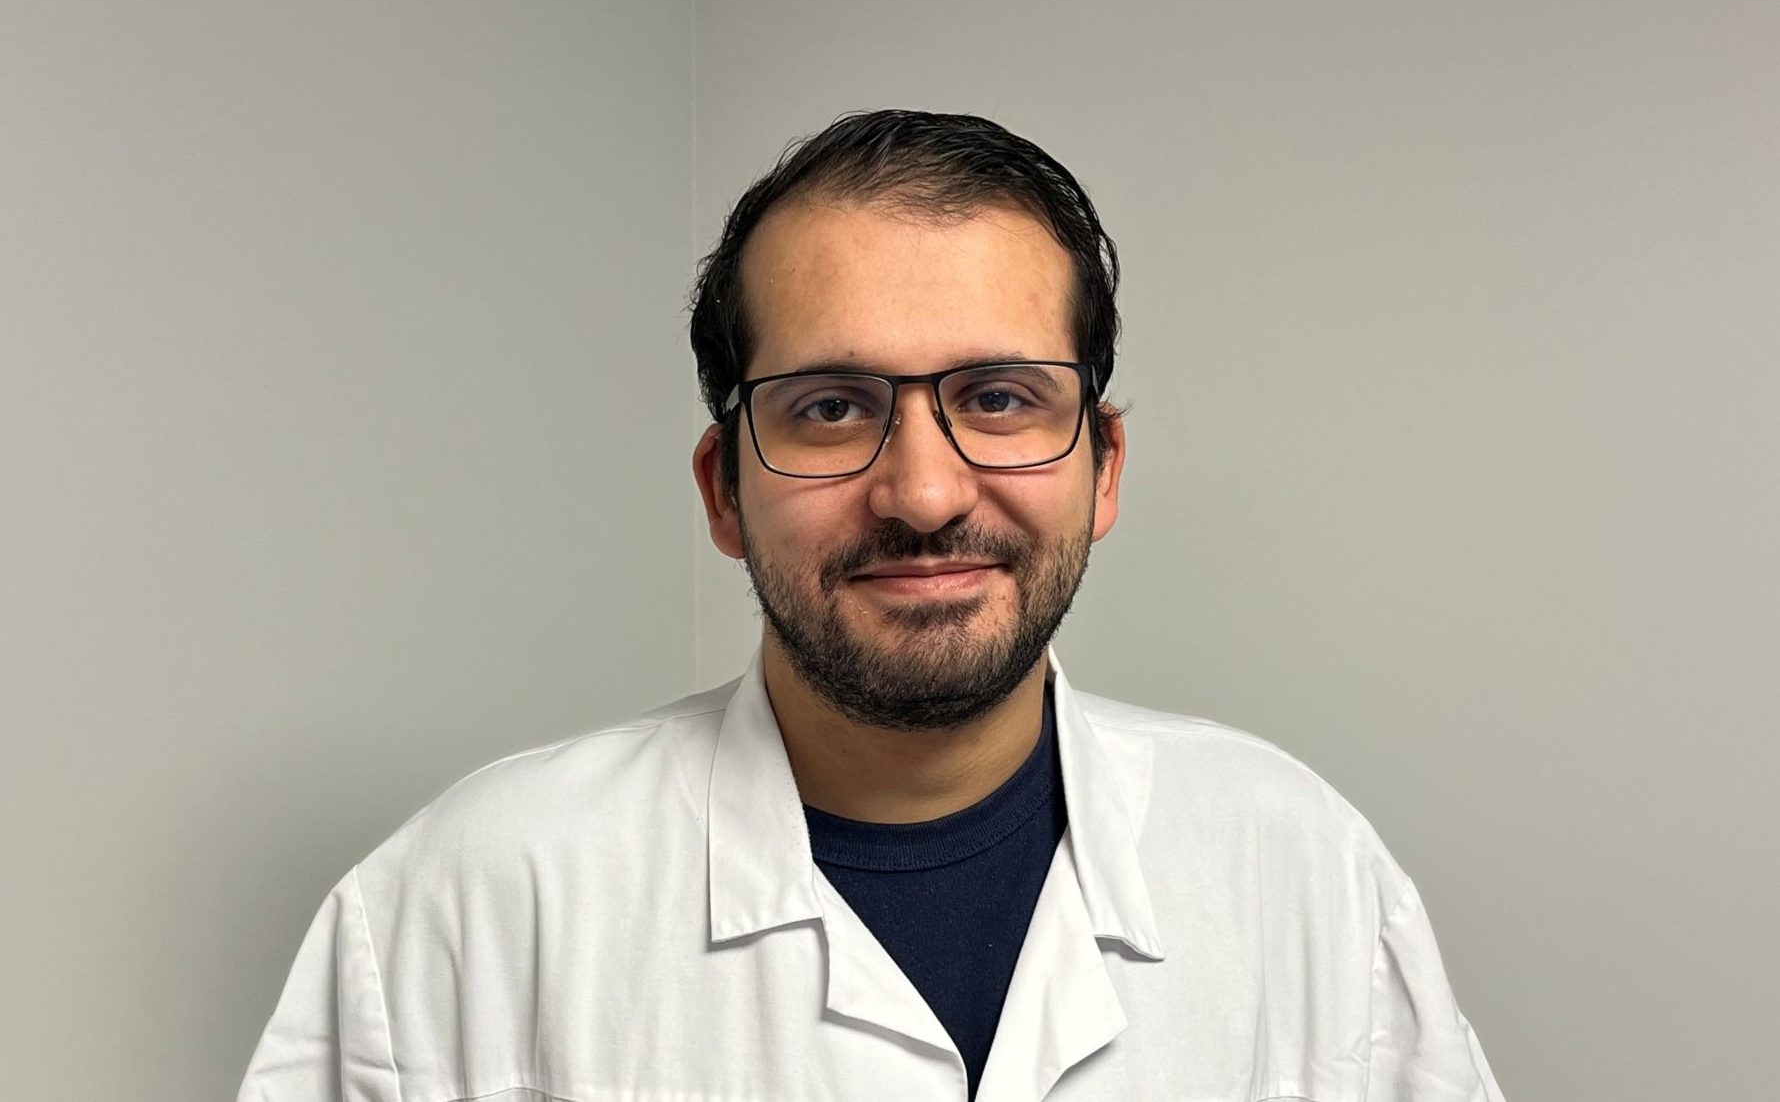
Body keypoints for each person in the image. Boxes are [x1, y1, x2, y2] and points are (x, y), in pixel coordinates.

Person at [238, 110, 1505, 1102]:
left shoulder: (1300, 870)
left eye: (999, 397)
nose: (924, 491)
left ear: (1102, 466)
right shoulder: (466, 902)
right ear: (723, 488)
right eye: (831, 407)